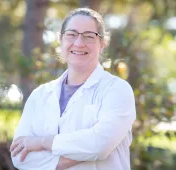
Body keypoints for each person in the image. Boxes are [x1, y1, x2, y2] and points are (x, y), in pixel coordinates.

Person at [10, 7, 136, 170]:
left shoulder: (117, 90)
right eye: (72, 34)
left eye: (89, 36)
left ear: (102, 44)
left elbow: (99, 145)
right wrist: (82, 153)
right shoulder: (40, 95)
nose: (79, 43)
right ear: (61, 40)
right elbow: (19, 156)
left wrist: (42, 142)